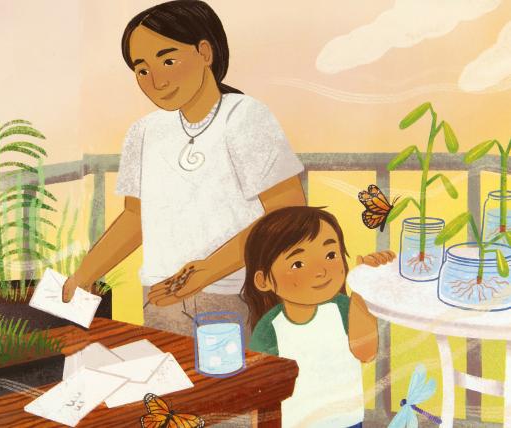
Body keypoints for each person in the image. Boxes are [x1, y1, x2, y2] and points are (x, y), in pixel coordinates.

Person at [61, 0, 305, 339]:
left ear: (205, 52)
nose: (155, 80)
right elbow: (135, 217)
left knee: (233, 386)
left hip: (236, 293)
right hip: (161, 296)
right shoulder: (144, 131)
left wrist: (206, 271)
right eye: (141, 69)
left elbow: (288, 210)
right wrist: (84, 275)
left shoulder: (245, 117)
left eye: (168, 60)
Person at [242, 206, 391, 428]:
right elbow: (261, 393)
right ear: (264, 281)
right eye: (298, 264)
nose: (321, 270)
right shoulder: (270, 327)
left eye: (330, 255)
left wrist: (362, 287)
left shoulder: (342, 307)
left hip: (347, 422)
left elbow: (366, 351)